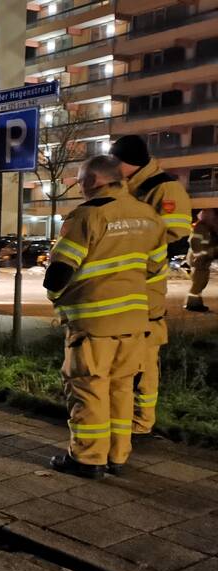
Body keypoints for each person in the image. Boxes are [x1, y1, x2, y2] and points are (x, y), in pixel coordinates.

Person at [43, 156, 166, 479]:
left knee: (89, 389)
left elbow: (59, 272)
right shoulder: (149, 216)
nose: (79, 187)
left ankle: (87, 458)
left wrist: (56, 298)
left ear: (93, 181)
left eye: (80, 181)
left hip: (93, 323)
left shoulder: (89, 215)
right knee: (121, 388)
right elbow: (155, 269)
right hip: (134, 322)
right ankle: (117, 455)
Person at [110, 135, 193, 436]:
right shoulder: (127, 187)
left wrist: (133, 256)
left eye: (114, 161)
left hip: (146, 287)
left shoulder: (164, 188)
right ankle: (122, 415)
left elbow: (176, 240)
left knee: (143, 355)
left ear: (127, 162)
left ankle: (141, 421)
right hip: (125, 284)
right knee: (125, 353)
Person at [186, 209, 217, 312]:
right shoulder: (200, 227)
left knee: (201, 282)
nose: (214, 218)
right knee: (198, 283)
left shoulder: (206, 227)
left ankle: (197, 303)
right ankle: (192, 304)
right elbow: (195, 242)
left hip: (202, 260)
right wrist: (201, 255)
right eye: (212, 216)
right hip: (199, 260)